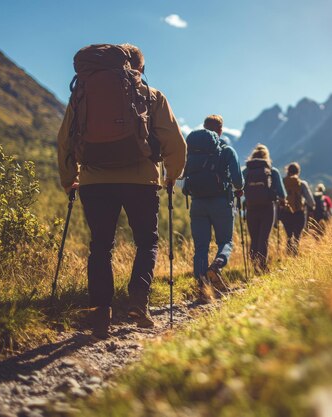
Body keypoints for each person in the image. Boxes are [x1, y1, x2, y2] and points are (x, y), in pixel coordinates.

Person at [57, 43, 186, 339]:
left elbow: (65, 140)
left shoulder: (82, 93)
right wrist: (172, 175)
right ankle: (138, 301)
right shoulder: (151, 95)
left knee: (101, 245)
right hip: (141, 181)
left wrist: (69, 179)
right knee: (147, 242)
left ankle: (100, 312)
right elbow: (175, 142)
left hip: (94, 181)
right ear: (138, 68)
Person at [182, 115, 243, 301]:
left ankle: (202, 289)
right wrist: (239, 189)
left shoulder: (193, 151)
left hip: (198, 203)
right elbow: (238, 181)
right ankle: (217, 266)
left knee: (201, 246)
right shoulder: (227, 151)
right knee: (225, 241)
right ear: (220, 130)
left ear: (204, 129)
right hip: (221, 203)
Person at [242, 144, 287, 274]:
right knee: (264, 238)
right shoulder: (272, 171)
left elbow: (240, 187)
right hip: (267, 208)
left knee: (254, 237)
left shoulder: (246, 171)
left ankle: (253, 264)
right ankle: (262, 266)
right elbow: (282, 194)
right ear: (266, 156)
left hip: (251, 208)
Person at [281, 162, 315, 256]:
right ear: (298, 172)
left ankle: (287, 255)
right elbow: (311, 201)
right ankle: (295, 255)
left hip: (286, 213)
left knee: (289, 235)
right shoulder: (302, 184)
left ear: (287, 171)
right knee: (297, 236)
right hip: (299, 213)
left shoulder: (283, 182)